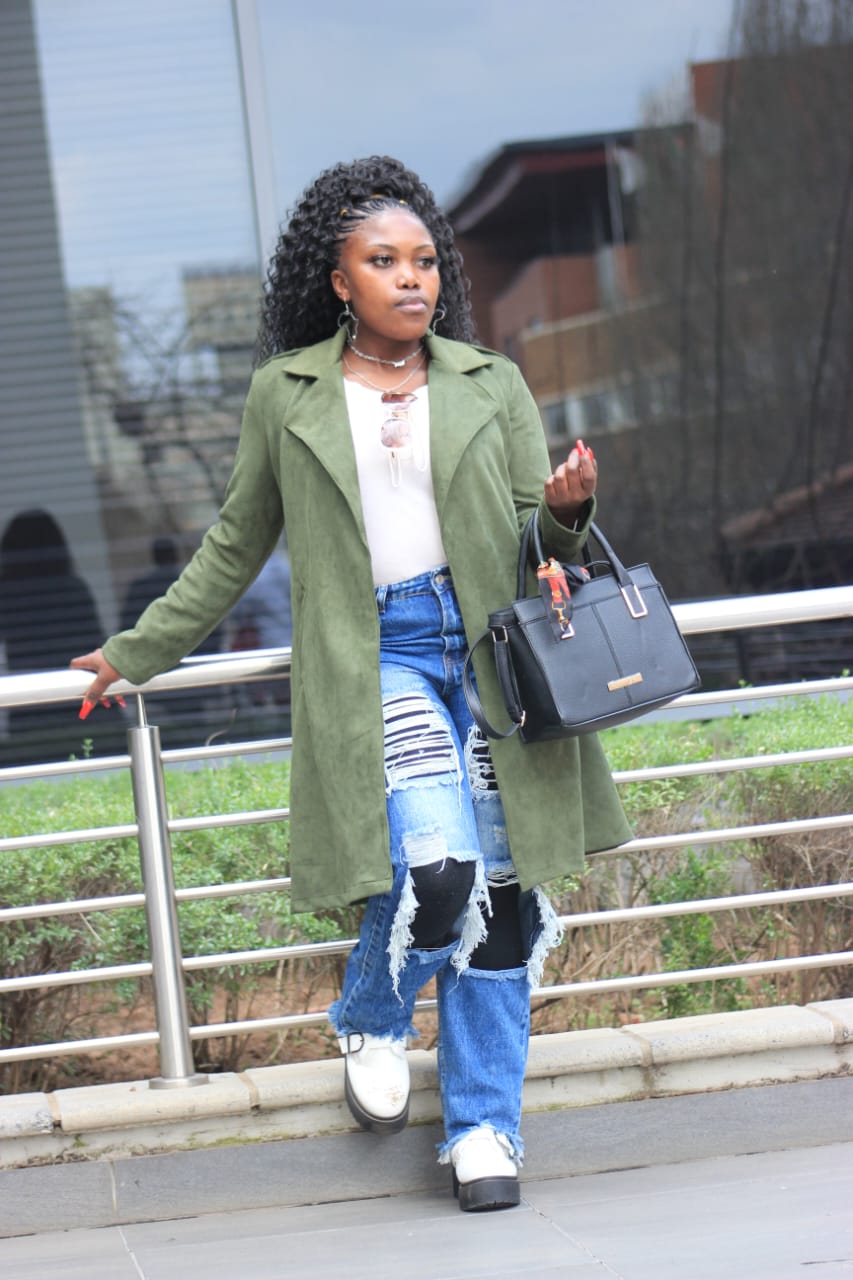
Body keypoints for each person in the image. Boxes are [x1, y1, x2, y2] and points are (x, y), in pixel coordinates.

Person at [71, 156, 631, 1212]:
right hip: (378, 655)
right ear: (339, 280)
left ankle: (483, 1130)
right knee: (439, 869)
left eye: (423, 260)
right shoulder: (287, 394)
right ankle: (371, 1014)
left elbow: (533, 538)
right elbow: (234, 543)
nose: (410, 278)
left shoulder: (489, 380)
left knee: (501, 892)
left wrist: (565, 511)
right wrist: (134, 651)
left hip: (490, 654)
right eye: (382, 261)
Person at [0, 509, 105, 761]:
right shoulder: (74, 589)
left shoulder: (7, 594)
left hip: (31, 705)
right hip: (81, 699)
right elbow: (97, 645)